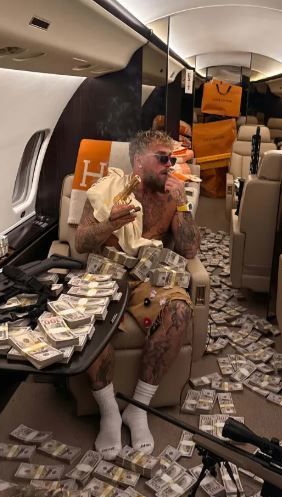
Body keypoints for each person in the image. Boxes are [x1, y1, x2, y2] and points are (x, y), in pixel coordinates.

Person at [75, 130, 200, 460]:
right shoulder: (108, 190)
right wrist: (109, 225)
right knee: (88, 318)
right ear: (139, 161)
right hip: (108, 270)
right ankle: (109, 413)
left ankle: (138, 408)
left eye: (172, 159)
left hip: (150, 274)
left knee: (179, 311)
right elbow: (82, 243)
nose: (169, 165)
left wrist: (183, 202)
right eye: (163, 158)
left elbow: (189, 250)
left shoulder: (172, 197)